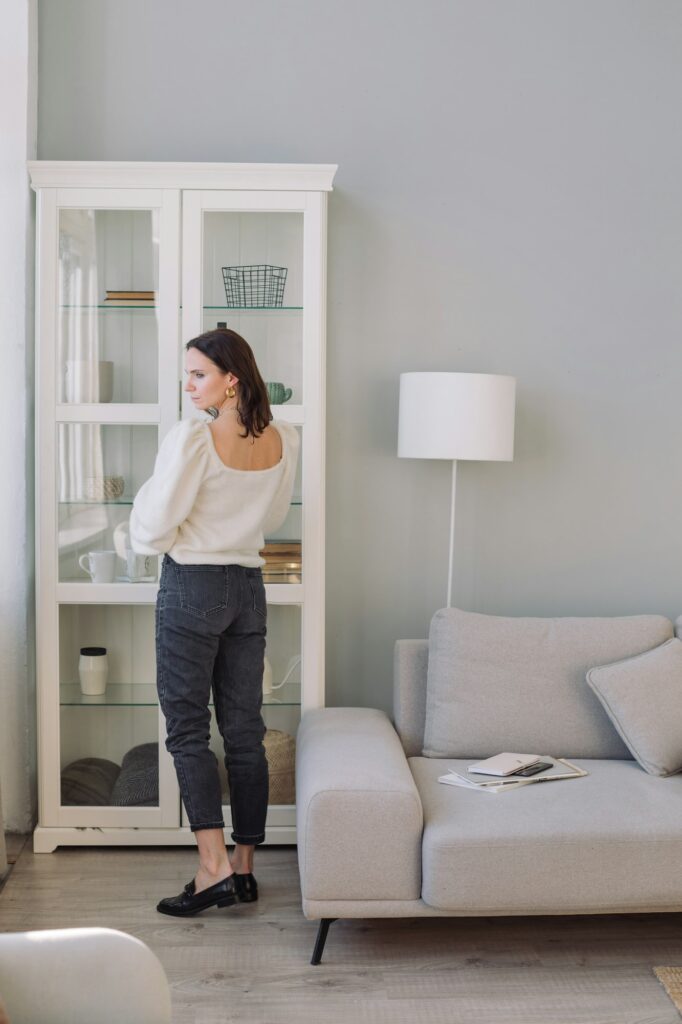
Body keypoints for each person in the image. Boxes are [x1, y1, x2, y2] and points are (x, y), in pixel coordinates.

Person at [129, 328, 300, 917]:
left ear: (232, 378)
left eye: (198, 373)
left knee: (187, 730)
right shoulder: (283, 439)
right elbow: (273, 515)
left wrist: (161, 519)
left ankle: (212, 870)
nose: (189, 384)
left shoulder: (194, 440)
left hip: (194, 585)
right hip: (249, 589)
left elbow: (152, 528)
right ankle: (245, 868)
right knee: (245, 732)